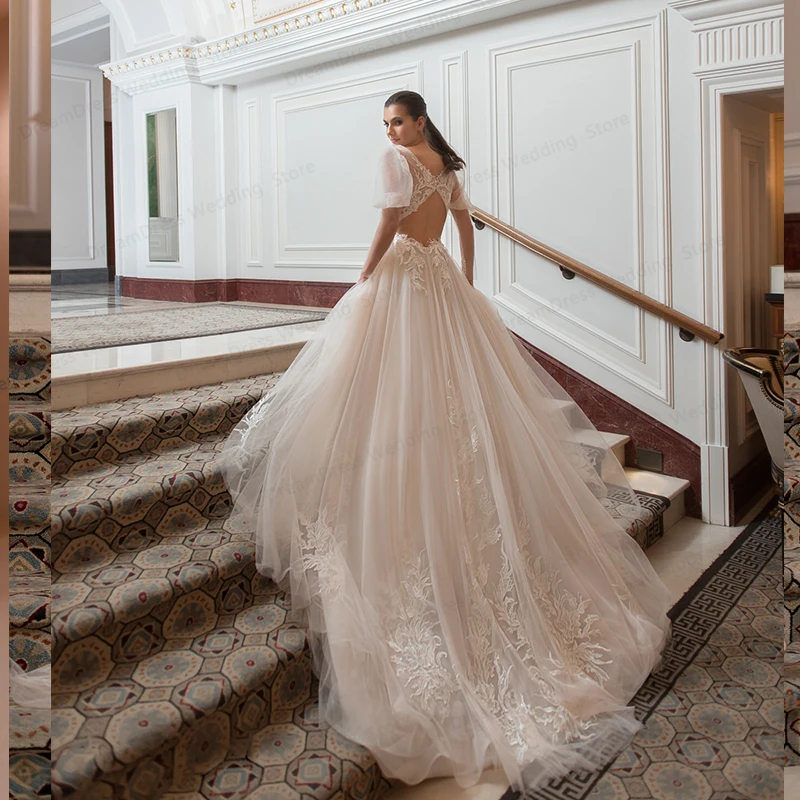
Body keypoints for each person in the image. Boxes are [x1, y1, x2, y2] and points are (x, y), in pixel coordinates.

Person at [219, 90, 671, 793]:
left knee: (388, 393)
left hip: (403, 278)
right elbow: (463, 229)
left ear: (420, 119)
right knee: (446, 401)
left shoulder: (398, 164)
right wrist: (467, 280)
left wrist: (365, 276)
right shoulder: (449, 169)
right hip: (443, 288)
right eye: (387, 125)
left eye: (398, 120)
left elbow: (390, 224)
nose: (391, 132)